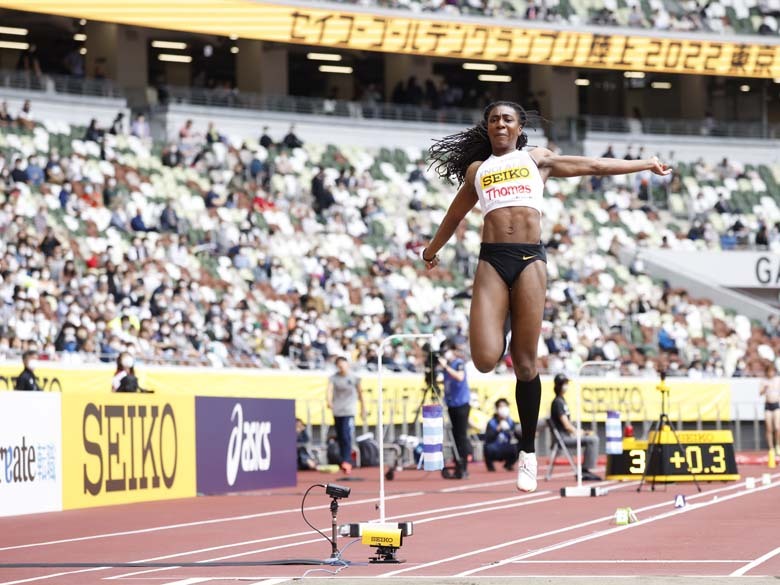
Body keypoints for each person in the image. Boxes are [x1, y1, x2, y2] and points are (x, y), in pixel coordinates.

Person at [421, 100, 670, 492]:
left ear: (520, 128)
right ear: (487, 128)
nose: (500, 124)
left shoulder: (537, 160)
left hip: (529, 261)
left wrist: (645, 164)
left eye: (507, 119)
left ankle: (528, 452)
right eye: (493, 120)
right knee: (485, 359)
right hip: (491, 260)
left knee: (524, 364)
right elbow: (454, 216)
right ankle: (499, 317)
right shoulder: (477, 171)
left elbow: (595, 166)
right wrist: (431, 249)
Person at [550, 374, 601, 481]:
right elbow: (567, 425)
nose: (566, 386)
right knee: (593, 440)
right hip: (564, 438)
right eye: (565, 384)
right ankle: (585, 470)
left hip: (568, 435)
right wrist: (579, 433)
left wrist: (582, 432)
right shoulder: (557, 402)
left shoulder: (562, 400)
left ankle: (585, 469)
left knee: (592, 437)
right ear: (559, 385)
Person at [326, 356, 366, 474]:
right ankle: (343, 458)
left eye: (343, 365)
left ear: (347, 365)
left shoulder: (354, 378)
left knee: (346, 435)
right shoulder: (334, 378)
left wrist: (363, 408)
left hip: (349, 411)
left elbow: (360, 393)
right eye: (339, 366)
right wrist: (328, 401)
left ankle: (346, 460)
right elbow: (329, 390)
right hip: (338, 410)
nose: (341, 368)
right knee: (340, 435)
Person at [438, 342, 472, 478]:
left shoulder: (458, 363)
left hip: (461, 404)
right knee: (455, 437)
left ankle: (463, 466)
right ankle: (457, 465)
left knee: (461, 436)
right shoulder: (446, 368)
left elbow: (460, 377)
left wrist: (445, 366)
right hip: (451, 404)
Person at [483, 398, 521, 471]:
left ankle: (508, 464)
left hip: (507, 448)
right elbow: (488, 438)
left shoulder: (511, 422)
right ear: (497, 409)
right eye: (501, 407)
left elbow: (518, 434)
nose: (503, 409)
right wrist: (497, 430)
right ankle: (490, 466)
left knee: (519, 446)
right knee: (487, 447)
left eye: (505, 406)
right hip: (495, 449)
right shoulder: (491, 423)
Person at [760, 364, 780, 457]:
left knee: (777, 427)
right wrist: (765, 388)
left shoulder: (777, 380)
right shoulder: (764, 381)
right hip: (768, 406)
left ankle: (778, 445)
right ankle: (771, 448)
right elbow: (760, 393)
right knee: (769, 428)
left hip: (776, 405)